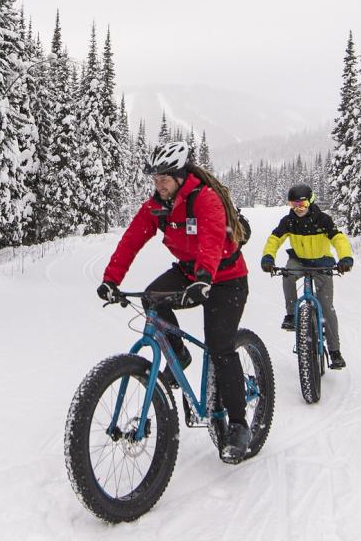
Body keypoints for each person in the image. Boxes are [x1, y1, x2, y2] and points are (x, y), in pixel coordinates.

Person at [96, 140, 255, 463]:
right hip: (189, 273)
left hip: (226, 279)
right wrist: (111, 279)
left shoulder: (205, 200)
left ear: (181, 176)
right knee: (153, 300)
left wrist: (203, 279)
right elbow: (130, 241)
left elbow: (211, 240)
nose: (159, 184)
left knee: (220, 347)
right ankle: (178, 356)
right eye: (155, 179)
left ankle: (238, 425)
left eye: (164, 178)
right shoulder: (156, 207)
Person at [260, 184, 353, 369]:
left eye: (301, 205)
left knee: (327, 308)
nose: (298, 209)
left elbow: (338, 239)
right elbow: (274, 239)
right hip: (299, 261)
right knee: (287, 275)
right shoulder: (289, 221)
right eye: (294, 205)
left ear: (310, 201)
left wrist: (345, 257)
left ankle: (334, 352)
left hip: (322, 262)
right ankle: (292, 314)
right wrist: (268, 257)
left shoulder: (323, 220)